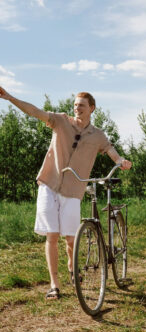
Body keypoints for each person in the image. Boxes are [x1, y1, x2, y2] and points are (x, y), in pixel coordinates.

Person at [0, 86, 132, 300]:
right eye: (75, 105)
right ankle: (54, 284)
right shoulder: (61, 121)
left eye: (81, 105)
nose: (77, 108)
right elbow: (34, 111)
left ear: (92, 108)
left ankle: (72, 266)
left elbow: (109, 149)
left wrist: (120, 161)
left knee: (71, 240)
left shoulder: (97, 135)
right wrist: (9, 97)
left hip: (73, 189)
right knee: (51, 236)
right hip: (49, 183)